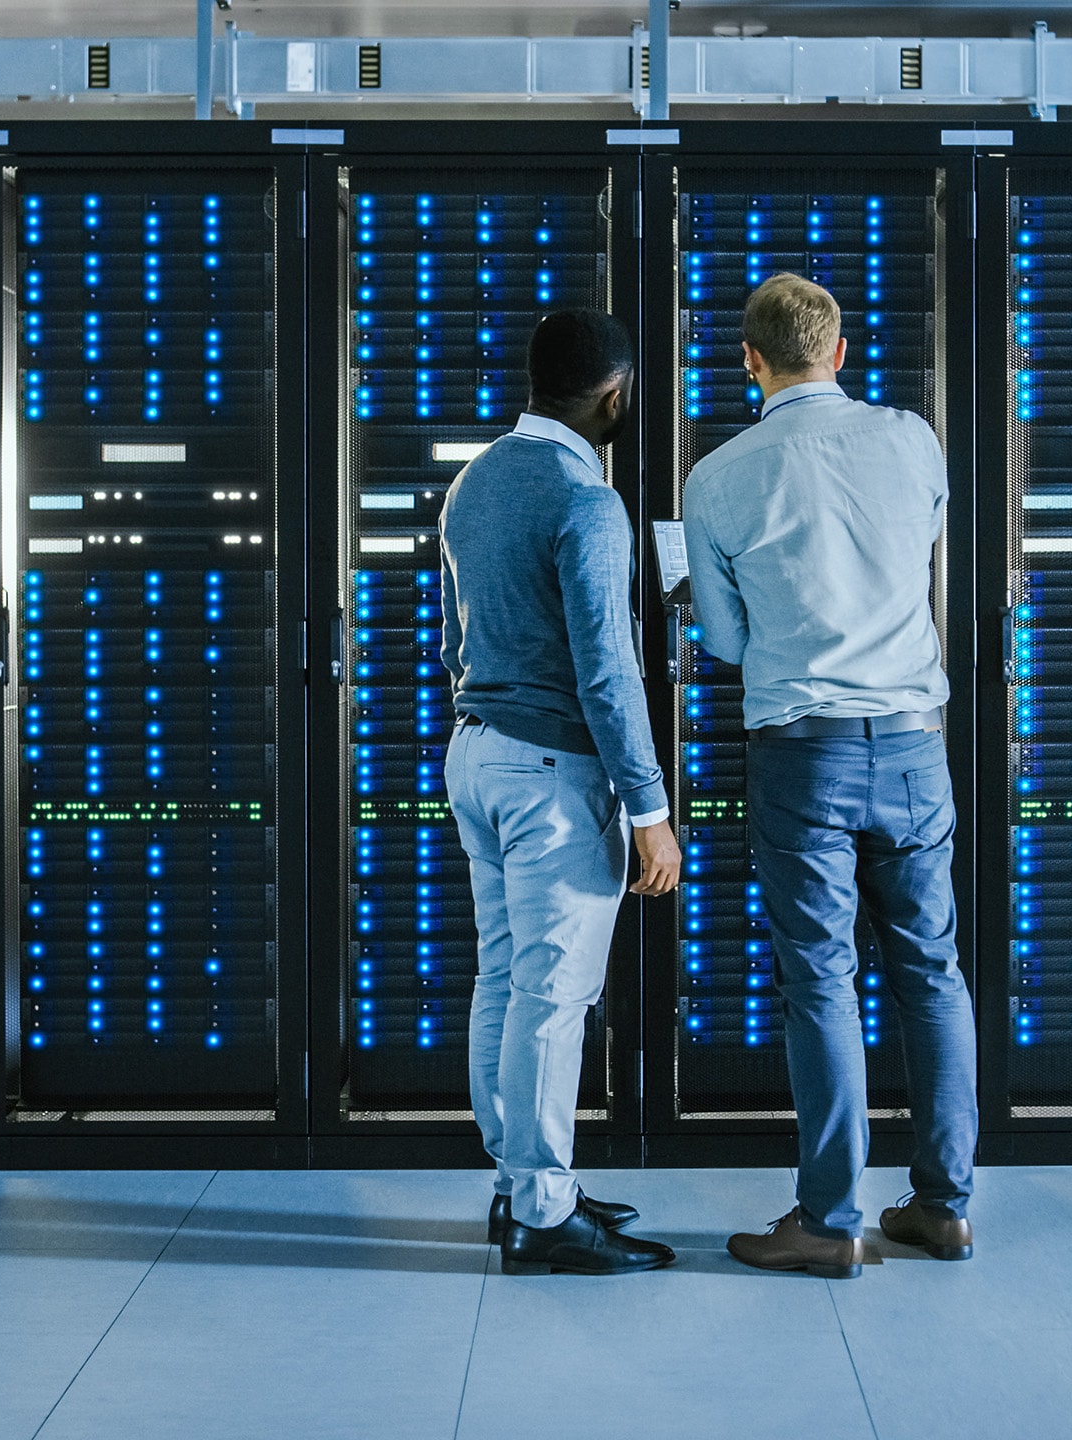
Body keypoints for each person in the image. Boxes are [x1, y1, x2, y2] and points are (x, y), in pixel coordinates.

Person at [685, 274, 977, 1280]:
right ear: (841, 352)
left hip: (801, 753)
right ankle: (942, 1208)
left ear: (750, 361)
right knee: (931, 974)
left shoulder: (719, 476)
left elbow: (723, 642)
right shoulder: (913, 440)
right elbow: (920, 556)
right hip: (910, 744)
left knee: (822, 981)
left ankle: (830, 1220)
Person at [440, 308, 682, 1276]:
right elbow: (608, 670)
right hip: (551, 774)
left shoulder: (476, 478)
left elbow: (460, 640)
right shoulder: (587, 499)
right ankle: (542, 1213)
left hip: (477, 754)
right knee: (552, 995)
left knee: (504, 979)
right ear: (613, 393)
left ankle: (520, 1189)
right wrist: (651, 811)